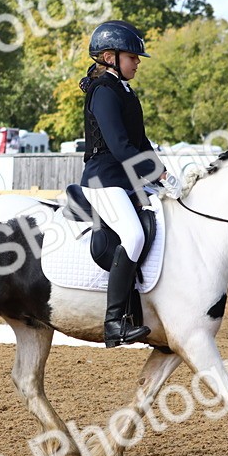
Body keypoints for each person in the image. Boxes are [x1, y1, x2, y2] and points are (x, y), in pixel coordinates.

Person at [79, 20, 166, 347]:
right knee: (132, 235)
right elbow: (119, 145)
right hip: (104, 179)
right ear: (109, 56)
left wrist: (163, 171)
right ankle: (114, 322)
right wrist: (152, 172)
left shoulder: (125, 91)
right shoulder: (103, 92)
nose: (138, 61)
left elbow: (140, 141)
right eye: (132, 56)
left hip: (125, 177)